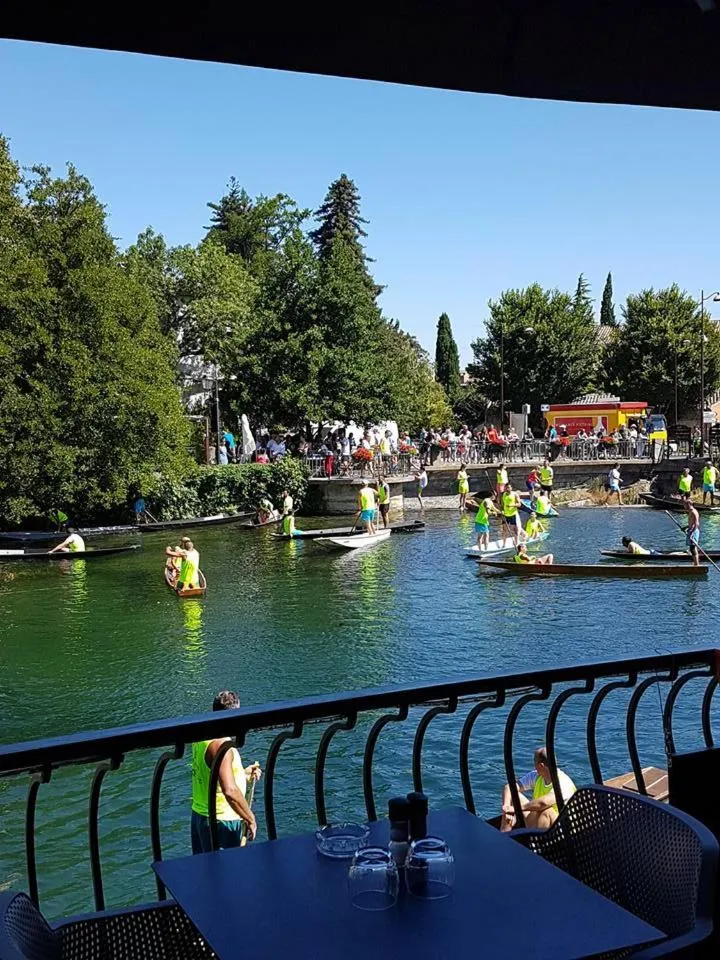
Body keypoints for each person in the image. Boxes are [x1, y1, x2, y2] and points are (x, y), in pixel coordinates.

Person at [191, 690, 262, 853]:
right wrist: (250, 818)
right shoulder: (222, 746)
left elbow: (213, 774)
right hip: (221, 820)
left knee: (205, 871)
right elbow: (229, 790)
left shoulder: (202, 737)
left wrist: (243, 775)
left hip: (200, 817)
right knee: (226, 874)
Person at [500, 747, 576, 832]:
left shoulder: (563, 782)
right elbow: (509, 787)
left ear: (541, 765)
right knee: (512, 795)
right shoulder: (537, 776)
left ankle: (539, 843)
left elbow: (543, 803)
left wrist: (516, 809)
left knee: (546, 811)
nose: (534, 765)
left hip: (564, 829)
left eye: (534, 761)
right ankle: (504, 834)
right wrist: (506, 808)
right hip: (537, 820)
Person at [685, 498, 701, 566]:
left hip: (694, 531)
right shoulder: (690, 512)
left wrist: (692, 532)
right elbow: (691, 523)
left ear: (689, 504)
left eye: (685, 505)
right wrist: (685, 527)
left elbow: (696, 523)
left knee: (693, 548)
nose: (684, 507)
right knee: (692, 548)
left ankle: (696, 564)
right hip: (691, 531)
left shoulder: (694, 512)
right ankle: (695, 563)